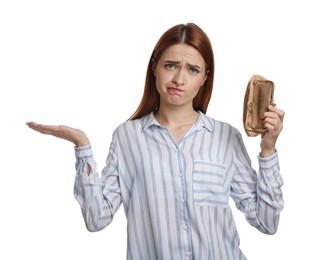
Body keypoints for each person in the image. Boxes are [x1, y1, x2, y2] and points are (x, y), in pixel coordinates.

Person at [26, 23, 285, 260]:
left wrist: (268, 149)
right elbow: (97, 219)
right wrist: (82, 146)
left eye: (192, 70)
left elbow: (267, 221)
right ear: (154, 67)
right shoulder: (127, 137)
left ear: (205, 77)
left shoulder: (225, 137)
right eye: (170, 65)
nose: (179, 79)